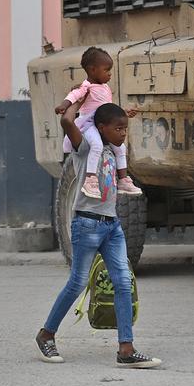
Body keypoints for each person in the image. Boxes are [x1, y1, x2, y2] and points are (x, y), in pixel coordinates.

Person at [36, 100, 162, 369]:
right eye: (117, 128)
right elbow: (68, 122)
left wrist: (123, 116)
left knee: (123, 283)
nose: (123, 133)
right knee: (78, 283)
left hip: (112, 225)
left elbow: (116, 130)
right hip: (87, 225)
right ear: (100, 127)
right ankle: (46, 334)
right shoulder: (85, 148)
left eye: (124, 128)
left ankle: (126, 349)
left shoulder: (114, 149)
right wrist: (76, 101)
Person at [54, 47, 143, 199]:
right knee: (96, 145)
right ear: (92, 70)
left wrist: (122, 112)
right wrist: (64, 105)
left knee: (121, 148)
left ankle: (123, 180)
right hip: (90, 123)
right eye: (106, 70)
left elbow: (106, 108)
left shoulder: (105, 87)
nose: (109, 74)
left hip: (103, 122)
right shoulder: (86, 87)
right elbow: (74, 95)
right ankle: (90, 179)